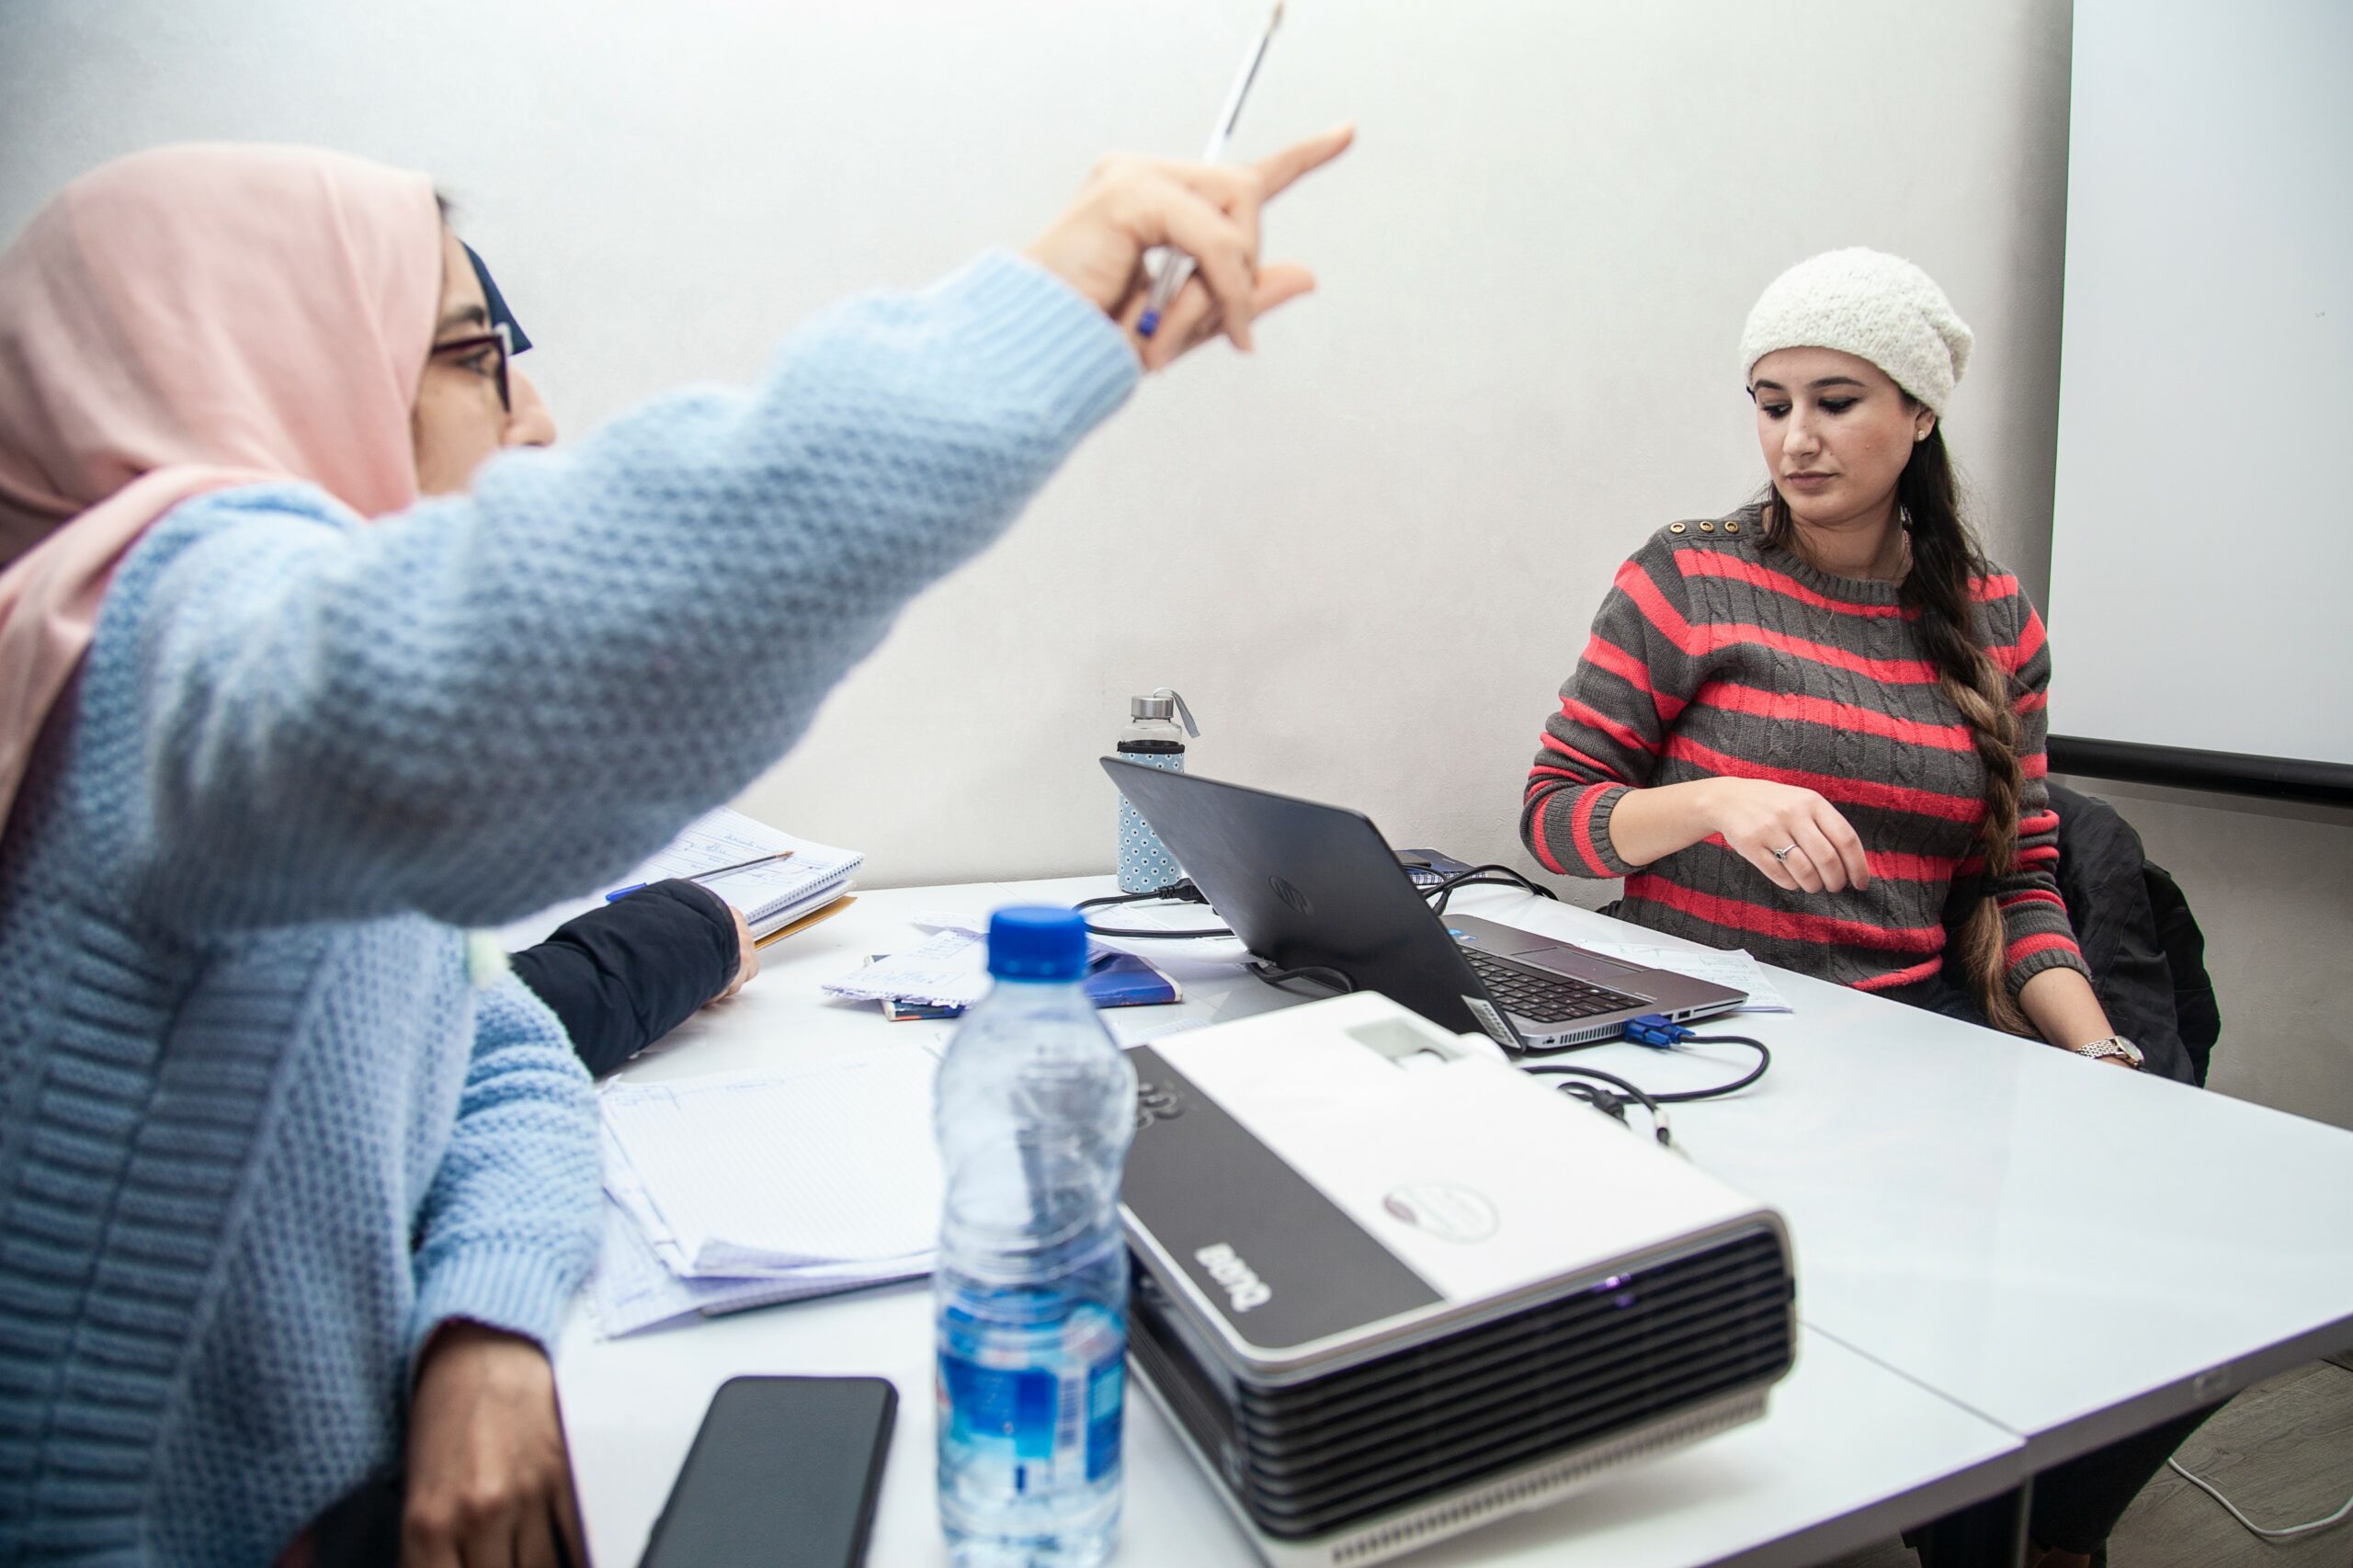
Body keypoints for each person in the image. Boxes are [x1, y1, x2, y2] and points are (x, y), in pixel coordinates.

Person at [0, 126, 1349, 1567]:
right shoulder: (153, 649)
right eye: (470, 356)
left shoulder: (263, 780)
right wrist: (1041, 317)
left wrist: (483, 1320)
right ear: (256, 357)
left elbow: (500, 1054)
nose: (531, 422)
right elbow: (547, 645)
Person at [1518, 247, 2195, 1566]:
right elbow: (1555, 810)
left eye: (1836, 401)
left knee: (2118, 1282)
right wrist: (1714, 801)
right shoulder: (1687, 576)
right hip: (1697, 1032)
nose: (1796, 439)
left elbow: (2022, 877)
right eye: (1771, 403)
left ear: (1919, 413)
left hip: (1900, 1052)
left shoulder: (1996, 619)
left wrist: (2099, 1056)